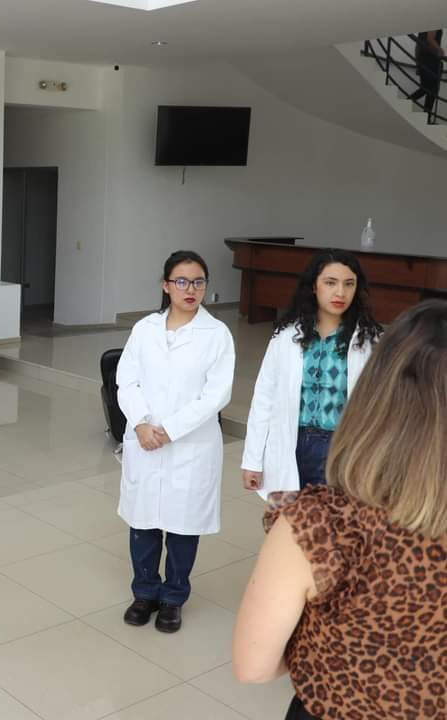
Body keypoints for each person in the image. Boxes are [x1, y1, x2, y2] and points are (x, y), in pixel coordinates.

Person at [233, 299, 447, 720]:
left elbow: (254, 665)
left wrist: (332, 658)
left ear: (376, 394)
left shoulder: (318, 525)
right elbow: (265, 397)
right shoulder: (287, 338)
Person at [116, 250, 235, 634]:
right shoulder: (145, 329)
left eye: (198, 282)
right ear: (166, 286)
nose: (190, 289)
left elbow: (216, 395)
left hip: (190, 444)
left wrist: (168, 430)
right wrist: (140, 424)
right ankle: (144, 593)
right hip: (144, 438)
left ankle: (173, 598)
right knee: (144, 523)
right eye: (181, 281)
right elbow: (126, 380)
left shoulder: (217, 334)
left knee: (183, 526)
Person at [241, 250, 381, 498]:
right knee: (287, 518)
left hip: (341, 449)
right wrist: (252, 459)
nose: (340, 292)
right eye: (330, 283)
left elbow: (381, 406)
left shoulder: (370, 342)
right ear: (314, 287)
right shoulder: (286, 337)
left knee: (331, 520)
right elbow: (264, 398)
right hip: (292, 445)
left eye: (349, 284)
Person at [410, 29, 444, 117]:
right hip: (431, 61)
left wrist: (418, 63)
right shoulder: (435, 23)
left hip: (425, 60)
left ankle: (425, 116)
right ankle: (426, 117)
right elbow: (430, 39)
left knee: (427, 89)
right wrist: (441, 50)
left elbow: (418, 46)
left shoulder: (423, 29)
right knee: (431, 90)